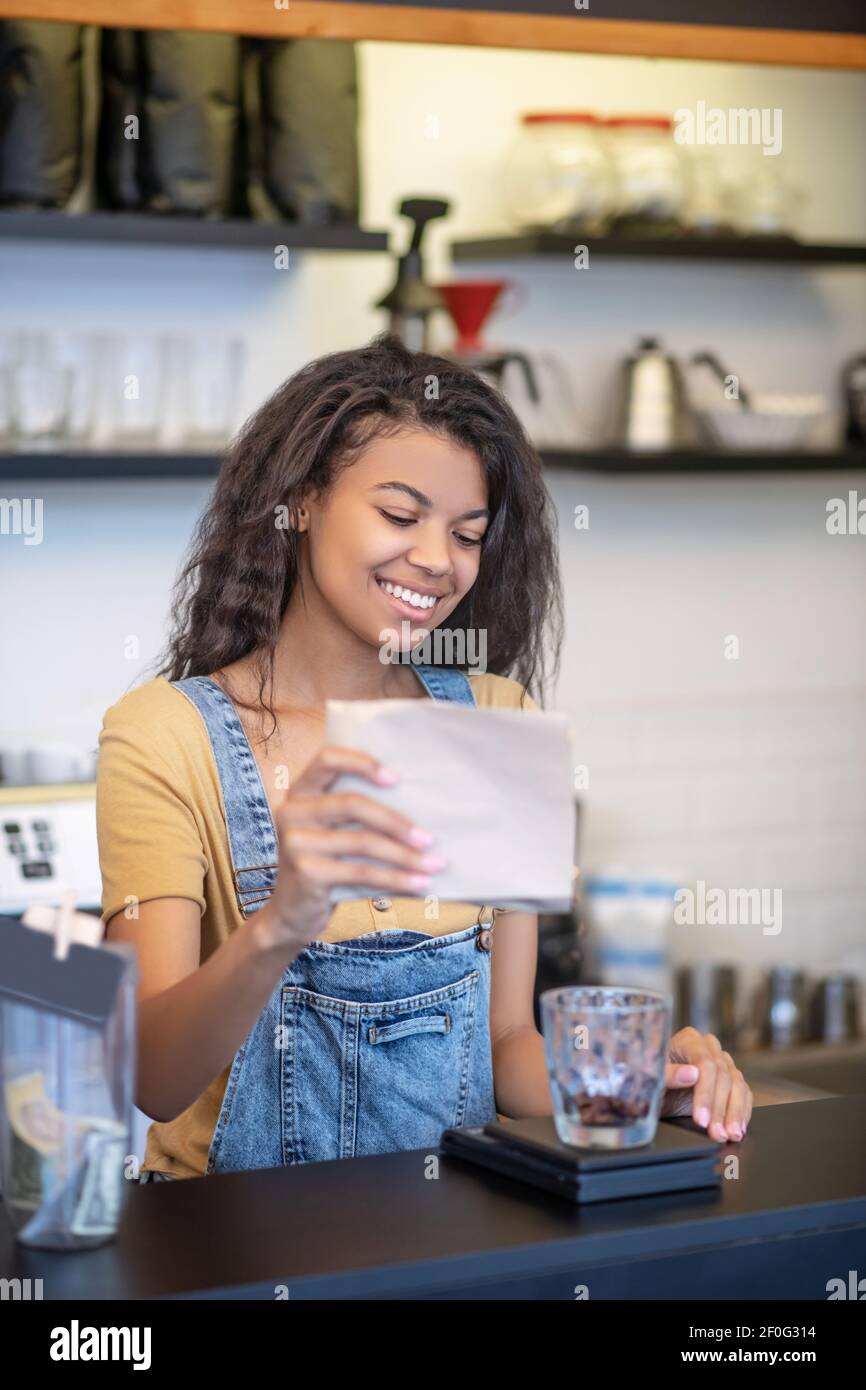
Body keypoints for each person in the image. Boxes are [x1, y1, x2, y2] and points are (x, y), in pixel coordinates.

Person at [96, 332, 752, 1181]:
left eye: (468, 533)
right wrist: (283, 923)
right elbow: (151, 1076)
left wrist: (627, 1086)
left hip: (450, 1244)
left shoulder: (497, 718)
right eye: (400, 516)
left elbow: (509, 1047)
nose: (438, 561)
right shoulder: (164, 734)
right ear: (299, 504)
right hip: (233, 1251)